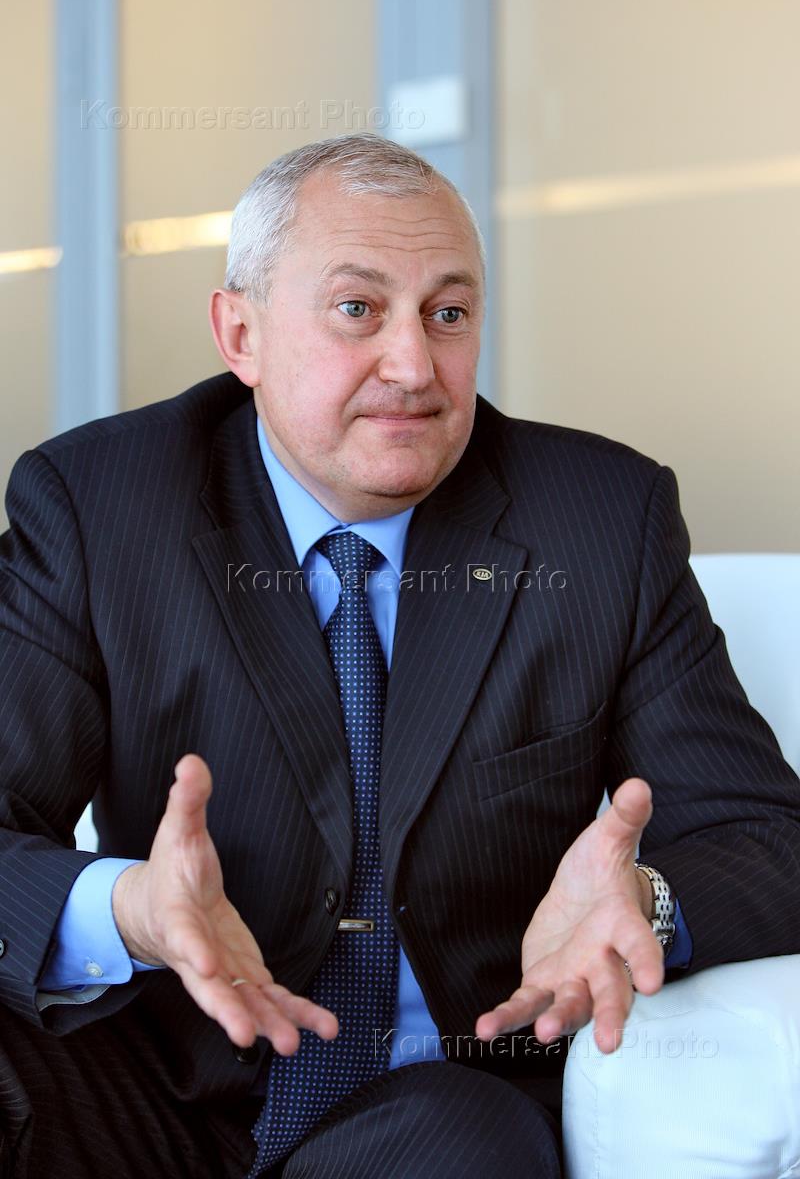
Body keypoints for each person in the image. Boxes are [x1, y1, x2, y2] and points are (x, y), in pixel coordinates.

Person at [0, 133, 798, 1179]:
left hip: (445, 1096)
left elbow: (762, 835)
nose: (414, 367)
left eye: (448, 314)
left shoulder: (601, 519)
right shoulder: (98, 506)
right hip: (155, 1079)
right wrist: (125, 911)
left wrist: (644, 900)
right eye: (357, 309)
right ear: (240, 332)